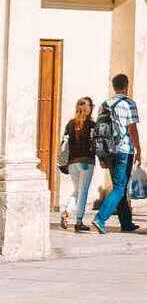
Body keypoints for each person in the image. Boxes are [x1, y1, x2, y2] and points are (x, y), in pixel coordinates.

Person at [92, 74, 141, 234]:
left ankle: (126, 223)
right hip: (123, 150)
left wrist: (101, 156)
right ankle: (100, 218)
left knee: (119, 186)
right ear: (126, 85)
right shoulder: (129, 103)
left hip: (108, 150)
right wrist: (139, 149)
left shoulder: (105, 105)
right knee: (120, 188)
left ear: (113, 86)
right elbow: (132, 129)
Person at [60, 97, 96, 232]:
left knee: (77, 191)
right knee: (83, 192)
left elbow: (64, 143)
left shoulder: (70, 124)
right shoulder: (92, 124)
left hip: (72, 163)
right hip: (86, 162)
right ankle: (79, 221)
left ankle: (66, 212)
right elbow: (95, 144)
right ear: (89, 108)